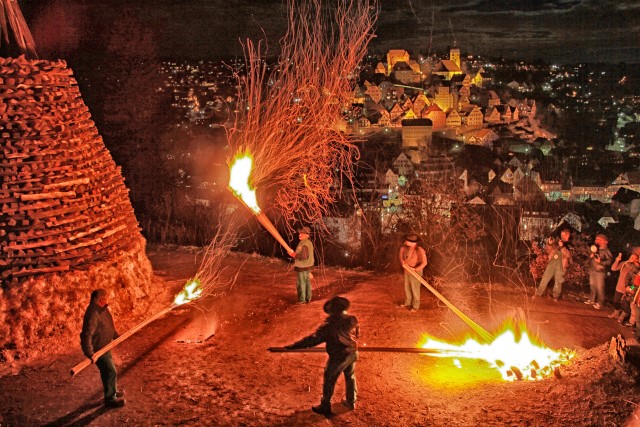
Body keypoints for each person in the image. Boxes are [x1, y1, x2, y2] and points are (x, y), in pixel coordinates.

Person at [285, 296, 359, 417]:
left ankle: (325, 405)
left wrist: (294, 346)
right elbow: (357, 335)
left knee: (329, 378)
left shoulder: (329, 325)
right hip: (352, 353)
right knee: (350, 377)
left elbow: (313, 340)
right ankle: (351, 402)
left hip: (338, 356)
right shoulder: (353, 319)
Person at [80, 289, 125, 408]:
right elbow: (87, 334)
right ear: (100, 299)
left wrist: (115, 335)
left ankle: (112, 391)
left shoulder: (102, 309)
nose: (107, 300)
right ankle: (110, 399)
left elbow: (108, 324)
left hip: (105, 345)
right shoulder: (93, 313)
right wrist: (90, 353)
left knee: (108, 371)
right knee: (110, 371)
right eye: (105, 298)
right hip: (98, 349)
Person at [534, 229, 572, 301]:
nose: (562, 236)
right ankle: (539, 293)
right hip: (552, 263)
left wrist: (562, 247)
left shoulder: (569, 245)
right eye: (561, 235)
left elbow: (568, 255)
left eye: (564, 235)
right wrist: (549, 244)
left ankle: (556, 296)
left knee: (558, 280)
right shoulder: (556, 242)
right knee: (545, 278)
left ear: (568, 235)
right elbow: (548, 251)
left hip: (561, 264)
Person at [398, 234, 428, 312]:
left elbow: (424, 263)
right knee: (407, 287)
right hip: (407, 270)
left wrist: (415, 269)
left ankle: (415, 306)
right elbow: (401, 256)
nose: (405, 242)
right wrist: (403, 263)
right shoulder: (404, 248)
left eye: (407, 241)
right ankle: (408, 302)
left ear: (412, 242)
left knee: (415, 289)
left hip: (416, 272)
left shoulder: (419, 250)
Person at [608, 251, 640, 321]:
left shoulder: (636, 268)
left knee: (625, 305)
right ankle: (616, 314)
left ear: (637, 260)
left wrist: (631, 289)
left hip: (627, 289)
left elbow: (636, 282)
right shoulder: (624, 263)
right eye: (631, 256)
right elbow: (613, 268)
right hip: (619, 287)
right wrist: (617, 261)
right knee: (616, 301)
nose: (631, 258)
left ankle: (622, 318)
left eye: (633, 258)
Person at [585, 234, 613, 310]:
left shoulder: (606, 251)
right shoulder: (596, 249)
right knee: (592, 286)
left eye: (598, 239)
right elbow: (590, 259)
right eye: (596, 239)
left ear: (604, 241)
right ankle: (592, 299)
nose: (596, 241)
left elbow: (609, 261)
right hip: (593, 270)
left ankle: (600, 302)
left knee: (600, 287)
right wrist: (590, 257)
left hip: (600, 271)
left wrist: (601, 262)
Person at [289, 226, 315, 304]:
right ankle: (308, 298)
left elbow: (303, 257)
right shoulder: (306, 242)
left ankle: (302, 300)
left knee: (301, 283)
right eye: (300, 233)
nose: (299, 235)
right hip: (307, 266)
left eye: (302, 234)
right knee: (307, 282)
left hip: (303, 266)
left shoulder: (305, 244)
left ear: (307, 235)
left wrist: (293, 255)